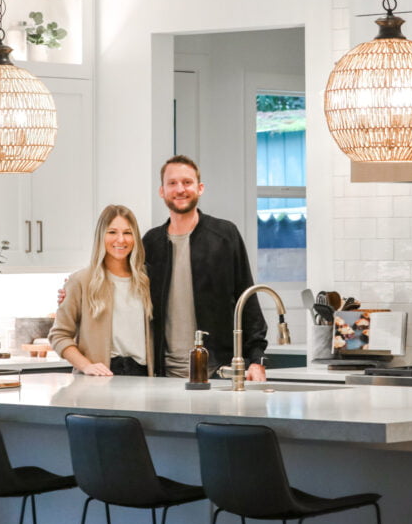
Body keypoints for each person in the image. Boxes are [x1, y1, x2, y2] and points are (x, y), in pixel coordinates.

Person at [143, 155, 267, 380]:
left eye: (187, 182)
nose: (180, 189)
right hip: (163, 375)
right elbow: (124, 291)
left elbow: (246, 297)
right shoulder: (150, 243)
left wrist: (256, 360)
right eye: (172, 183)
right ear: (162, 191)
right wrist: (73, 293)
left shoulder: (224, 235)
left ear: (200, 188)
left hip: (218, 372)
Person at [49, 205, 153, 376]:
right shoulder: (81, 280)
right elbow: (59, 335)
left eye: (127, 233)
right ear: (101, 236)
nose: (121, 240)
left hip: (142, 376)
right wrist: (86, 366)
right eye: (112, 232)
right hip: (99, 376)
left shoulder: (147, 280)